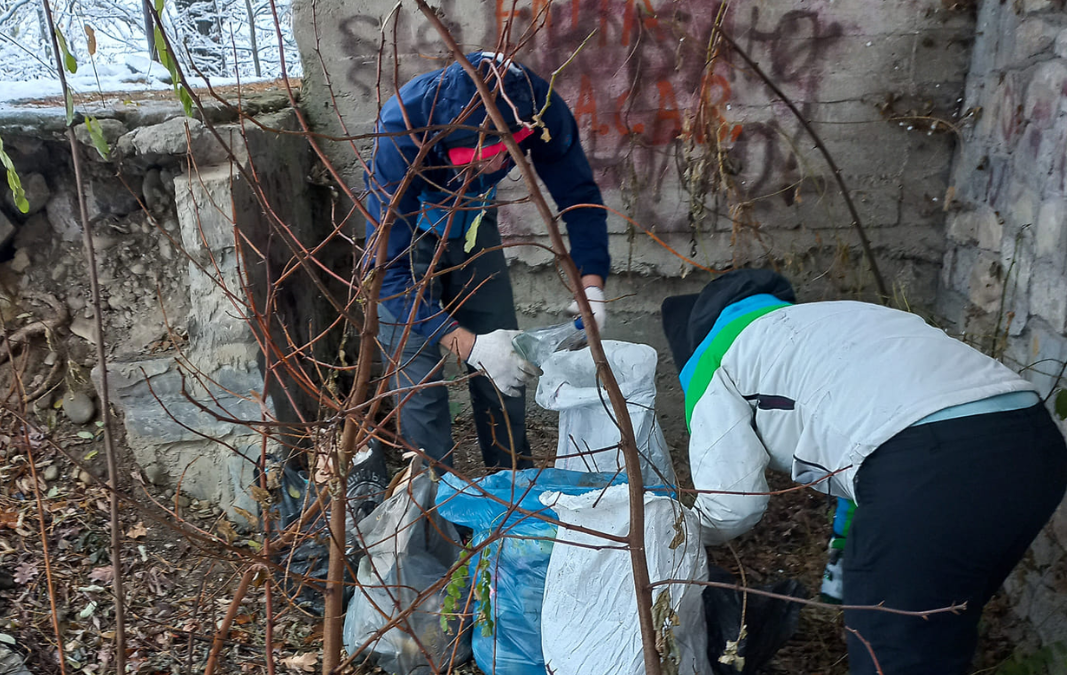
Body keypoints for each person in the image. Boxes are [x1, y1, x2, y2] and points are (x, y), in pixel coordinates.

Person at [659, 269, 1067, 675]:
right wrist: (845, 568)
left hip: (929, 465)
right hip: (1033, 441)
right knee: (939, 624)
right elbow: (862, 432)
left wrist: (674, 536)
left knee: (895, 656)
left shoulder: (712, 359)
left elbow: (733, 503)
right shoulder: (836, 317)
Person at [363, 51, 610, 471]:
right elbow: (388, 275)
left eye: (504, 152)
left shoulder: (536, 108)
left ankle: (512, 497)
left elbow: (579, 199)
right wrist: (469, 345)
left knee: (506, 363)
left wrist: (592, 286)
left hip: (474, 223)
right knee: (419, 386)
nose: (495, 164)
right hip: (411, 235)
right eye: (476, 157)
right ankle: (436, 515)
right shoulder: (404, 126)